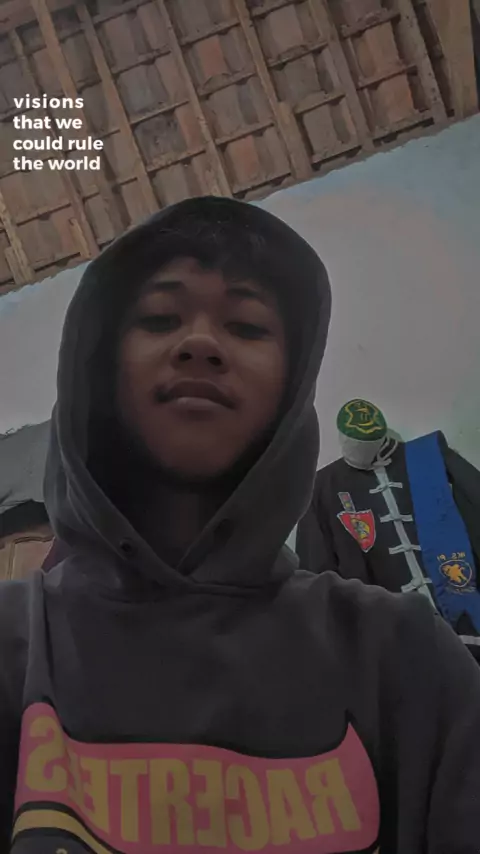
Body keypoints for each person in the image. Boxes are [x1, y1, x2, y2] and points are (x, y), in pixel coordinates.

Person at [1, 197, 479, 854]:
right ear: (97, 369)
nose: (200, 342)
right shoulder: (14, 646)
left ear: (292, 387)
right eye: (160, 317)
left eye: (248, 326)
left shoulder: (403, 657)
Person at [296, 398, 480, 662]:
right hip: (395, 648)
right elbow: (315, 571)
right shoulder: (323, 488)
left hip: (467, 621)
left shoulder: (428, 458)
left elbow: (474, 504)